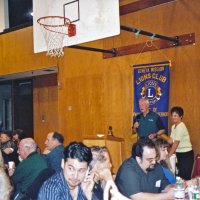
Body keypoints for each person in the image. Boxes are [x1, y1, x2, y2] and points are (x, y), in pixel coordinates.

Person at [168, 106, 194, 180]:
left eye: (175, 115)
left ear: (181, 116)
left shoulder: (181, 126)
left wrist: (169, 155)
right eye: (172, 115)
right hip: (179, 154)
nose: (173, 117)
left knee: (184, 177)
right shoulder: (173, 126)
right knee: (179, 176)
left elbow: (176, 143)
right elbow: (170, 140)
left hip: (186, 155)